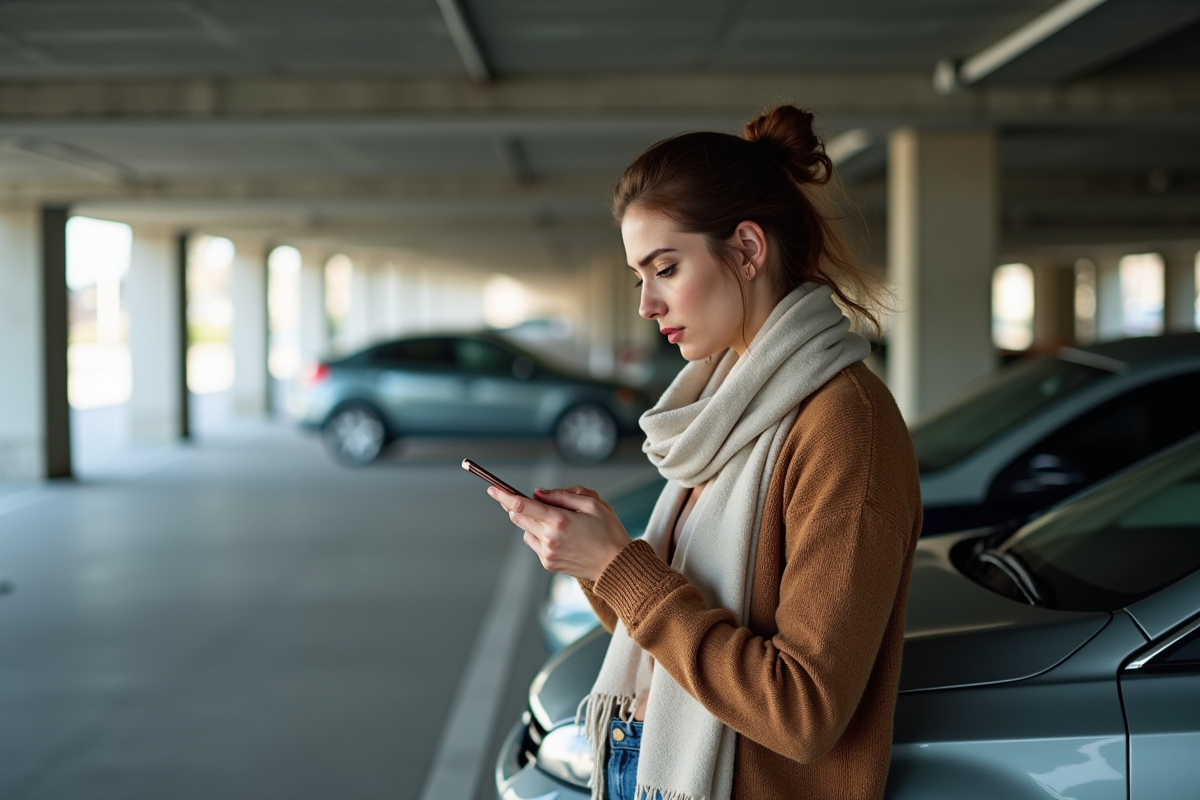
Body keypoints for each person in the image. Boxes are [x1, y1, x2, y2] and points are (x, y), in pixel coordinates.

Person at [486, 104, 922, 800]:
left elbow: (802, 711)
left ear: (748, 250)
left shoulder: (844, 426)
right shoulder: (727, 408)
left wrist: (620, 567)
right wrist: (595, 561)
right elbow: (673, 627)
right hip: (654, 764)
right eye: (640, 277)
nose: (646, 305)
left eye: (665, 267)